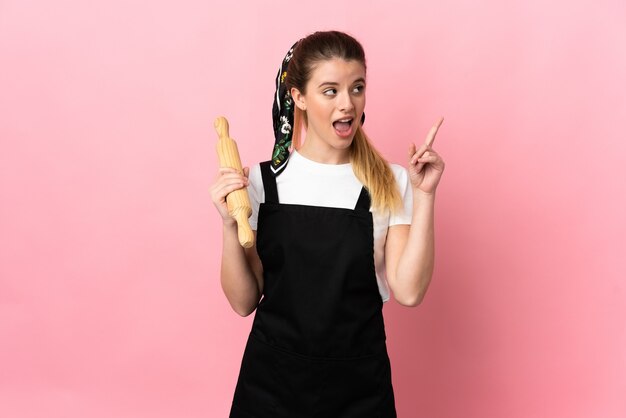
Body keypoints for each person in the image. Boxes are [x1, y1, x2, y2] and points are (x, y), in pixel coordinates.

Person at [210, 30, 445, 418]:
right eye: (330, 91)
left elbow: (409, 291)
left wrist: (425, 195)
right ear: (299, 97)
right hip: (271, 389)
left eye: (357, 88)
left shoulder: (391, 180)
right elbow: (243, 301)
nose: (347, 104)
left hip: (358, 391)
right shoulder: (261, 183)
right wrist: (227, 226)